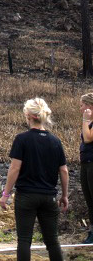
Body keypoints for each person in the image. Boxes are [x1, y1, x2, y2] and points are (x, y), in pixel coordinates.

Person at [0, 98, 68, 261]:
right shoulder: (55, 141)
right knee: (52, 240)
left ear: (28, 115)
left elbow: (15, 168)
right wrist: (64, 195)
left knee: (24, 240)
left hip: (26, 196)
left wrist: (6, 194)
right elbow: (64, 171)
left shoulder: (22, 139)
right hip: (49, 197)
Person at [78, 93, 93, 244]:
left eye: (82, 105)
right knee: (89, 199)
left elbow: (88, 138)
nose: (80, 108)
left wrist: (85, 120)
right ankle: (92, 231)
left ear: (89, 106)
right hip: (86, 163)